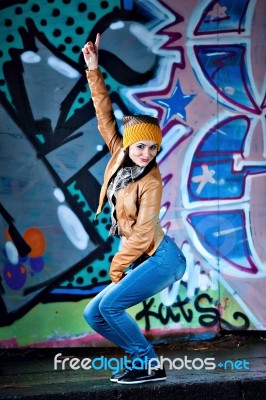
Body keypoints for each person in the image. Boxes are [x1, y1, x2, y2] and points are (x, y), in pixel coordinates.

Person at [82, 33, 186, 384]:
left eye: (152, 149)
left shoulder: (151, 181)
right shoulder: (118, 154)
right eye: (140, 147)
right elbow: (104, 115)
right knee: (93, 313)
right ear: (127, 145)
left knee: (110, 306)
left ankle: (149, 365)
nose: (146, 154)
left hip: (161, 258)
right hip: (144, 256)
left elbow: (142, 232)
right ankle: (140, 360)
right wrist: (93, 70)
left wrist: (117, 267)